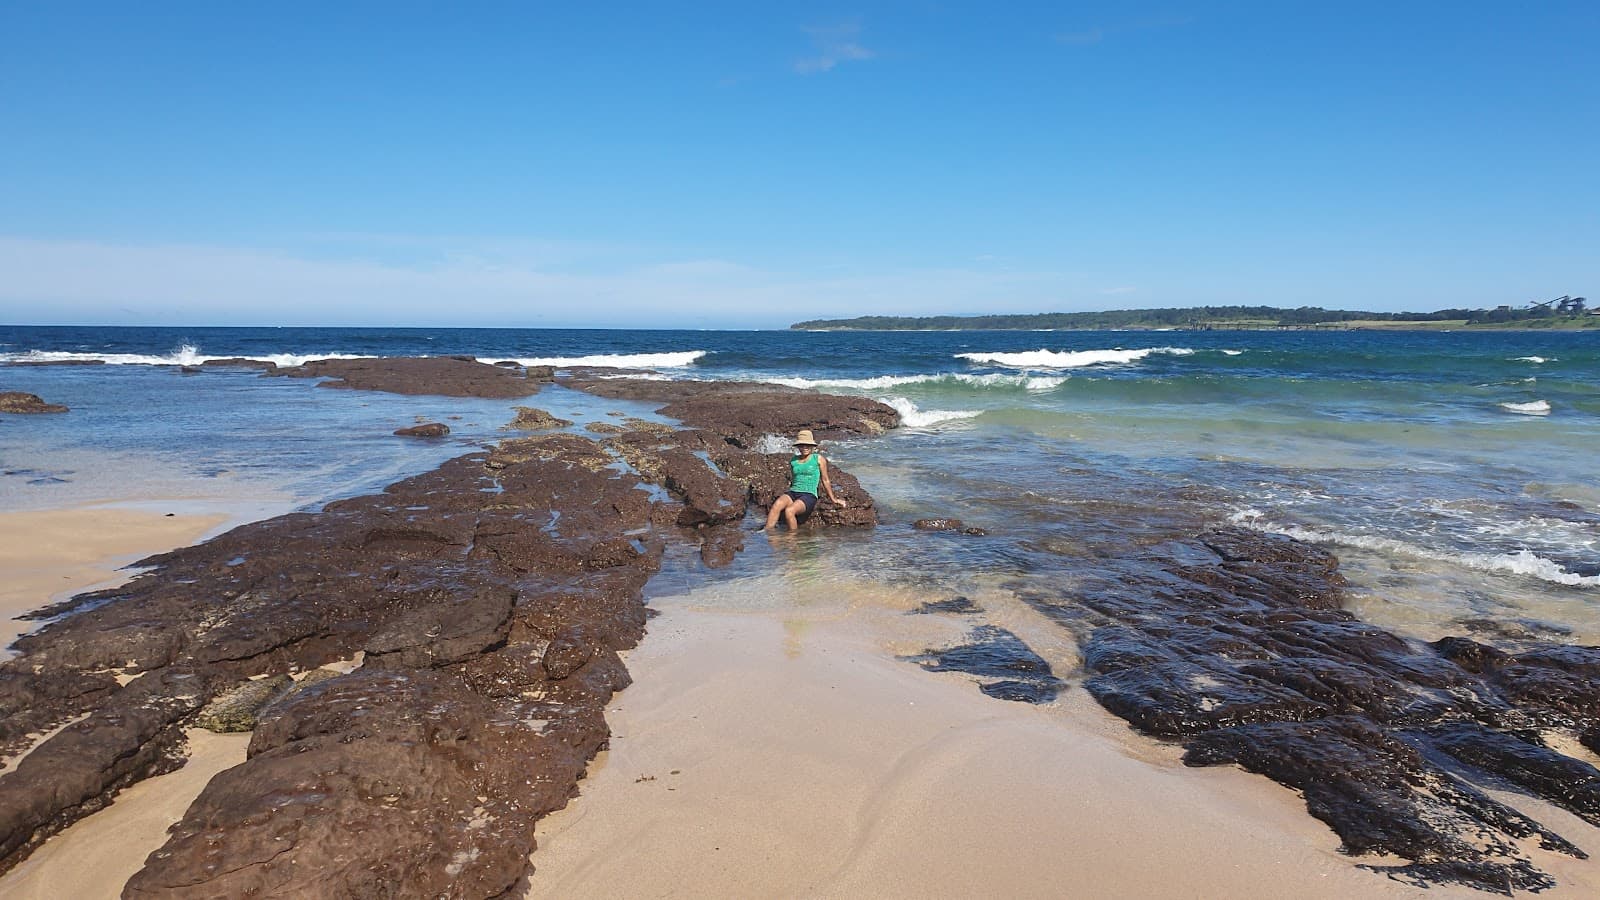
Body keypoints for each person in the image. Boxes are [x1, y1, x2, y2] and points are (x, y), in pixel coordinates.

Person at [763, 429, 846, 531]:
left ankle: (793, 539)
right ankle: (766, 533)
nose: (804, 448)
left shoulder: (818, 459)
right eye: (801, 445)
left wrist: (833, 499)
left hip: (809, 494)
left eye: (807, 445)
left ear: (812, 446)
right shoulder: (794, 460)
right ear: (798, 447)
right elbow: (794, 479)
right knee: (777, 505)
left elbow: (825, 480)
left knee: (789, 511)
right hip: (793, 492)